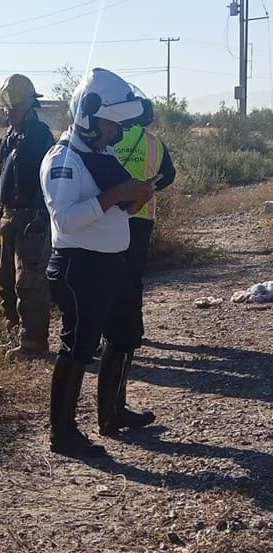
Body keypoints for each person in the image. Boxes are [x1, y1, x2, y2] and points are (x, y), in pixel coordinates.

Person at [41, 68, 157, 457]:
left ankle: (112, 414)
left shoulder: (101, 154)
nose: (117, 132)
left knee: (124, 336)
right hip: (80, 268)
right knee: (77, 348)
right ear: (89, 117)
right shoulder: (63, 159)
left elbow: (119, 208)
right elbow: (65, 220)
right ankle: (63, 433)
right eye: (111, 124)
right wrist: (116, 195)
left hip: (113, 264)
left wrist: (135, 197)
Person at [105, 90, 176, 432]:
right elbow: (168, 176)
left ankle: (106, 332)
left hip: (105, 219)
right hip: (140, 220)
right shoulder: (153, 143)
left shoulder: (107, 136)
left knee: (105, 282)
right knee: (131, 286)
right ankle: (124, 334)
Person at [0, 74, 56, 361]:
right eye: (6, 107)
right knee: (5, 279)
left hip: (32, 218)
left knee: (29, 282)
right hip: (9, 216)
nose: (7, 112)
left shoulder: (40, 136)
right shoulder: (9, 136)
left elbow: (48, 178)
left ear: (27, 106)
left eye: (12, 107)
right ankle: (15, 332)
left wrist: (41, 215)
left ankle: (33, 343)